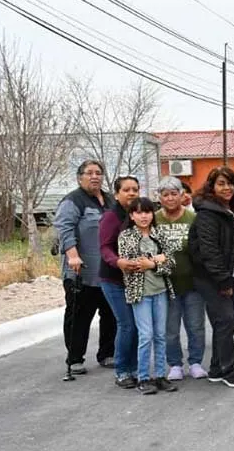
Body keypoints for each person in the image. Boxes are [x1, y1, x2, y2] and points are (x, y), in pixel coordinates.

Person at [54, 160, 117, 376]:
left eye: (98, 172)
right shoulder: (73, 201)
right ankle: (75, 358)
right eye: (89, 173)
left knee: (110, 313)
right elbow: (64, 229)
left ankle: (107, 353)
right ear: (79, 177)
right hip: (82, 271)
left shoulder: (109, 200)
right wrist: (72, 256)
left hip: (108, 270)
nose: (95, 177)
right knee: (80, 316)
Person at [187, 166, 234, 388]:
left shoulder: (228, 210)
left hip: (230, 274)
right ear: (211, 187)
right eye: (221, 183)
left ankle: (215, 369)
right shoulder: (208, 214)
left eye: (230, 183)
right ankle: (227, 370)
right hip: (213, 279)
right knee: (225, 323)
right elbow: (209, 250)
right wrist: (223, 281)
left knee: (223, 323)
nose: (227, 188)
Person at [117, 198, 178, 395]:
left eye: (147, 212)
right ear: (132, 216)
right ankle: (143, 377)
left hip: (160, 290)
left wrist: (152, 264)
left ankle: (160, 375)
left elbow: (171, 262)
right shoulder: (126, 236)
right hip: (140, 293)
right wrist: (156, 259)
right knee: (146, 335)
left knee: (160, 335)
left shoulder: (159, 233)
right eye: (139, 212)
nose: (144, 216)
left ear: (153, 214)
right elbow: (131, 265)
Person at [155, 177, 206, 381]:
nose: (170, 198)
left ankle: (195, 362)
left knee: (195, 325)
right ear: (159, 197)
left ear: (182, 196)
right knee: (170, 328)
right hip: (166, 285)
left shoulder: (193, 218)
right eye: (165, 194)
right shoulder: (154, 218)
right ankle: (174, 364)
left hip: (193, 282)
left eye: (174, 194)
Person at [97, 175, 141, 389]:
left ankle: (135, 369)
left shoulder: (139, 215)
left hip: (136, 279)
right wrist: (118, 262)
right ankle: (122, 370)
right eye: (126, 190)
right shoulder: (110, 217)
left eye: (135, 189)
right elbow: (105, 247)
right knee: (127, 326)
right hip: (113, 279)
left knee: (138, 327)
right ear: (116, 194)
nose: (131, 193)